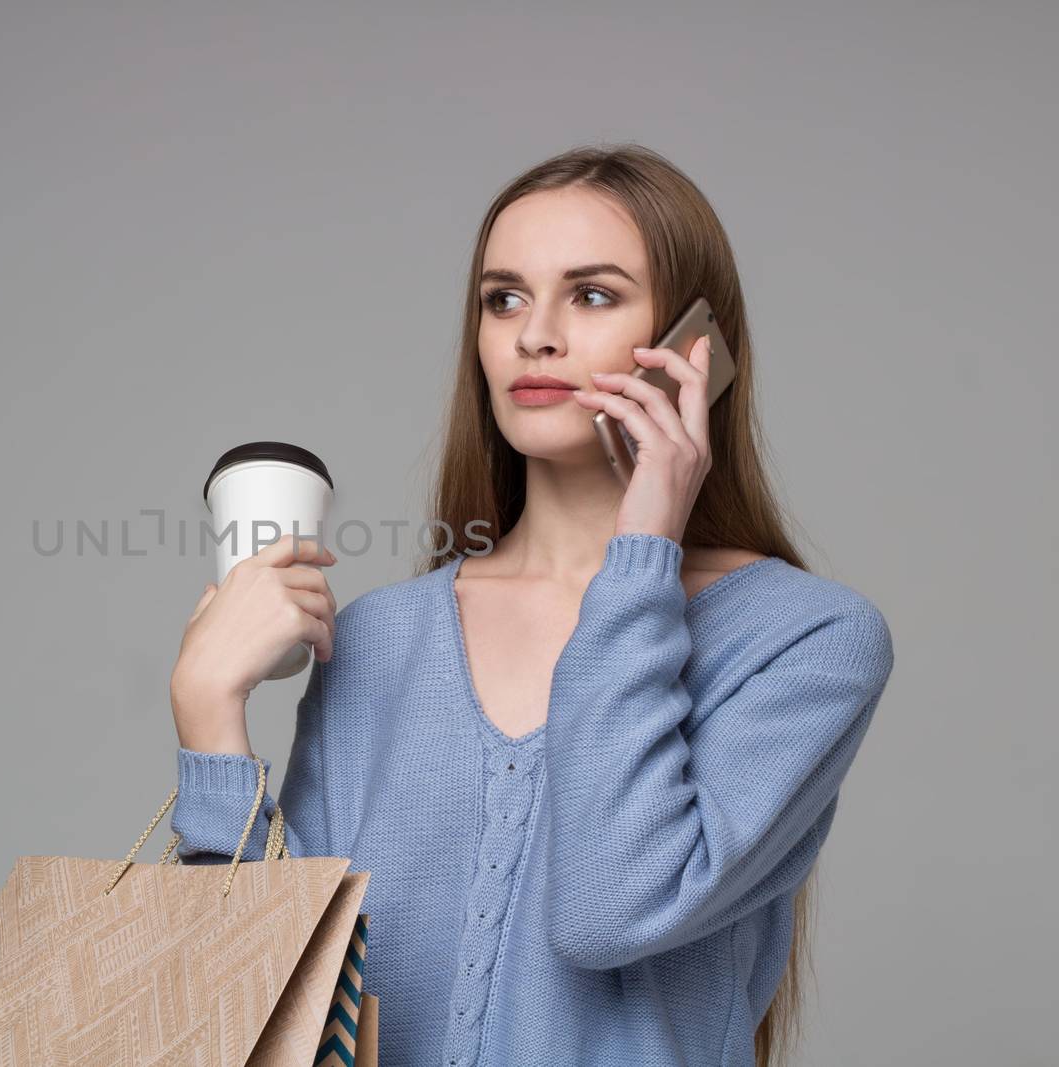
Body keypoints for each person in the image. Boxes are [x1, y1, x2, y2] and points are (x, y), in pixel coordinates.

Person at [167, 143, 895, 1067]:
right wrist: (209, 723)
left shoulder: (808, 640)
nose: (533, 335)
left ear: (692, 349)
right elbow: (252, 1016)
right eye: (503, 298)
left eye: (591, 295)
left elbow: (612, 908)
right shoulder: (382, 640)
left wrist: (640, 555)